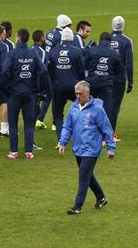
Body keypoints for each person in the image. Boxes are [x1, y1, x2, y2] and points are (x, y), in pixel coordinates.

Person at [58, 81, 115, 215]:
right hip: (78, 148)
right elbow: (67, 126)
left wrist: (111, 148)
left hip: (91, 149)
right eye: (76, 94)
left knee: (83, 177)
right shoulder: (73, 108)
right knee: (88, 177)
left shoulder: (97, 110)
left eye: (80, 94)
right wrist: (62, 142)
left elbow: (107, 129)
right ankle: (101, 197)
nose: (78, 96)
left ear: (87, 93)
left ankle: (77, 206)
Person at [1, 28, 48, 160]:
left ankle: (14, 152)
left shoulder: (12, 54)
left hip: (14, 93)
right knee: (28, 123)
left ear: (18, 38)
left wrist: (5, 88)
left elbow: (4, 71)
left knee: (13, 123)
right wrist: (39, 88)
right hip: (30, 94)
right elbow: (44, 71)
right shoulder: (33, 53)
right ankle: (29, 152)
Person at [48, 27, 85, 142]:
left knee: (58, 115)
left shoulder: (53, 51)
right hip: (74, 87)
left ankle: (61, 140)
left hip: (59, 87)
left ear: (62, 39)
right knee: (81, 111)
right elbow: (81, 71)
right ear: (72, 39)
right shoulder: (77, 51)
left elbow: (50, 71)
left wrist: (54, 83)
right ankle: (81, 137)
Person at [85, 32, 121, 127]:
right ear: (110, 42)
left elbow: (85, 65)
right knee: (106, 110)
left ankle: (88, 129)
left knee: (88, 108)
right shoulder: (115, 54)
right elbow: (118, 72)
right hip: (106, 85)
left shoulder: (92, 51)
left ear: (100, 40)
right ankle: (104, 136)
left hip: (91, 84)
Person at [110, 16, 134, 140]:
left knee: (104, 105)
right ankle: (110, 133)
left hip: (105, 76)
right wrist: (130, 81)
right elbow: (129, 64)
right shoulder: (127, 41)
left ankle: (100, 131)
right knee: (115, 106)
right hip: (119, 78)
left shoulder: (105, 38)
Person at [31, 30, 51, 131]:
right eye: (45, 36)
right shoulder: (42, 52)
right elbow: (42, 71)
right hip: (36, 87)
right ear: (42, 38)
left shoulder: (30, 49)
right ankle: (30, 142)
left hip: (28, 84)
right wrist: (42, 89)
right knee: (34, 112)